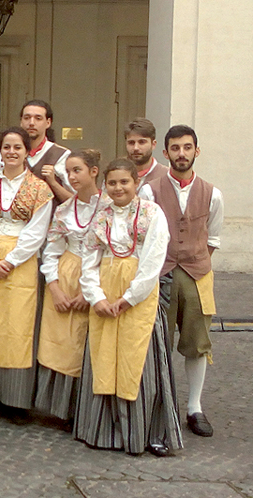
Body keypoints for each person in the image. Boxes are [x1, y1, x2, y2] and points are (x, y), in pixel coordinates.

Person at [74, 159, 183, 457]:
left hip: (138, 294)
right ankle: (102, 431)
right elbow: (89, 258)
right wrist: (96, 297)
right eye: (112, 183)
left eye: (124, 182)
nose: (119, 188)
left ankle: (147, 433)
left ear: (136, 183)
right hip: (106, 291)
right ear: (105, 186)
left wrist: (130, 297)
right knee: (104, 355)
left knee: (139, 360)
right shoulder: (102, 217)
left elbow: (153, 258)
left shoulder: (151, 213)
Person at [141, 125, 223, 439]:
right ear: (165, 153)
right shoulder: (150, 191)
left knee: (197, 343)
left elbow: (213, 238)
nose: (181, 154)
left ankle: (194, 407)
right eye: (175, 148)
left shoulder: (213, 193)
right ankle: (160, 402)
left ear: (196, 151)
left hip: (197, 275)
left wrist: (196, 261)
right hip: (161, 273)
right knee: (157, 340)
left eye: (187, 148)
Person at [0, 127, 52, 422]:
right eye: (7, 147)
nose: (12, 152)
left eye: (18, 147)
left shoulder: (39, 189)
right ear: (0, 151)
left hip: (20, 262)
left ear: (28, 152)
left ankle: (17, 400)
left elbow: (36, 232)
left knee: (18, 329)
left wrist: (11, 261)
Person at [35, 149, 100, 424]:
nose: (72, 177)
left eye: (78, 171)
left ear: (93, 172)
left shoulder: (108, 207)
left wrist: (91, 291)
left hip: (97, 275)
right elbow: (51, 250)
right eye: (69, 172)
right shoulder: (63, 210)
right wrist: (55, 287)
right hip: (67, 272)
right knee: (64, 340)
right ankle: (65, 408)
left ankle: (91, 409)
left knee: (91, 340)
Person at [0, 100, 73, 203]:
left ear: (48, 122)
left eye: (38, 118)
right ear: (21, 121)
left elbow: (75, 202)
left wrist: (53, 183)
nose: (31, 123)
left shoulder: (62, 156)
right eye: (27, 118)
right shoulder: (4, 156)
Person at [125, 118, 168, 189]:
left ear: (153, 144)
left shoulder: (166, 176)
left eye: (142, 142)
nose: (136, 148)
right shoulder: (115, 176)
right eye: (131, 143)